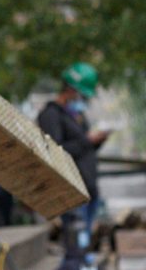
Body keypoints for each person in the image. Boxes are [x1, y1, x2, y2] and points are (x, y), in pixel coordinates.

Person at [37, 61, 109, 269]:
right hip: (73, 190)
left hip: (89, 187)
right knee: (74, 244)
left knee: (83, 243)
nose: (83, 100)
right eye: (82, 95)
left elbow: (85, 149)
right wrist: (88, 140)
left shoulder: (76, 115)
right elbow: (57, 152)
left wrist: (98, 141)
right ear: (70, 90)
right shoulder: (51, 115)